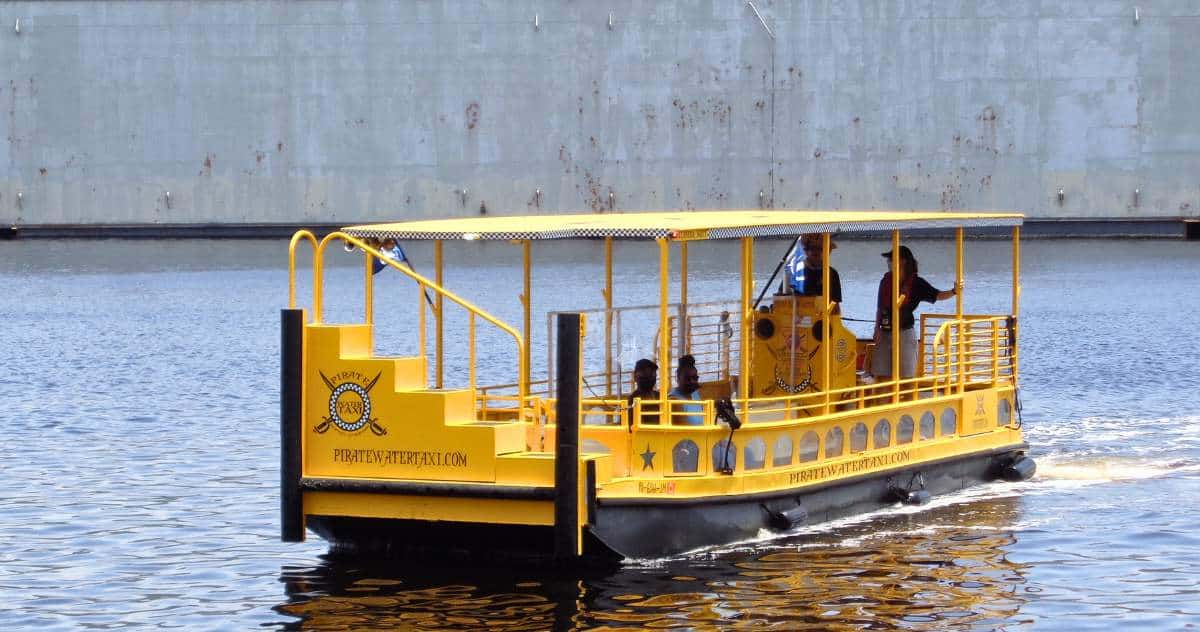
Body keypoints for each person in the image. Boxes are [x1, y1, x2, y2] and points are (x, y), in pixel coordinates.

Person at [871, 246, 958, 379]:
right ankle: (884, 399)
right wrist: (877, 328)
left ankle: (907, 398)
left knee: (906, 376)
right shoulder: (885, 281)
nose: (889, 262)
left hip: (904, 333)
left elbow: (937, 295)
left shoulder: (916, 283)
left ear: (902, 261)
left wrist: (954, 291)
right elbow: (880, 307)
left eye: (891, 259)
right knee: (881, 374)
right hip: (885, 332)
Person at [794, 234, 842, 312]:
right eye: (812, 248)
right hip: (799, 318)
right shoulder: (795, 271)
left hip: (823, 320)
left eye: (820, 249)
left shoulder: (832, 273)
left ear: (828, 251)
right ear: (806, 251)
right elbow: (782, 297)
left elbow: (836, 305)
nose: (816, 252)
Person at [668, 355, 703, 425]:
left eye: (695, 378)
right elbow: (684, 431)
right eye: (687, 379)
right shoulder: (673, 400)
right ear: (677, 378)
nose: (692, 381)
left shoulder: (695, 393)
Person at [626, 358, 660, 424]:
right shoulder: (632, 400)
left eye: (652, 375)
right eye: (645, 375)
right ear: (635, 376)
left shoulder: (659, 396)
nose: (649, 377)